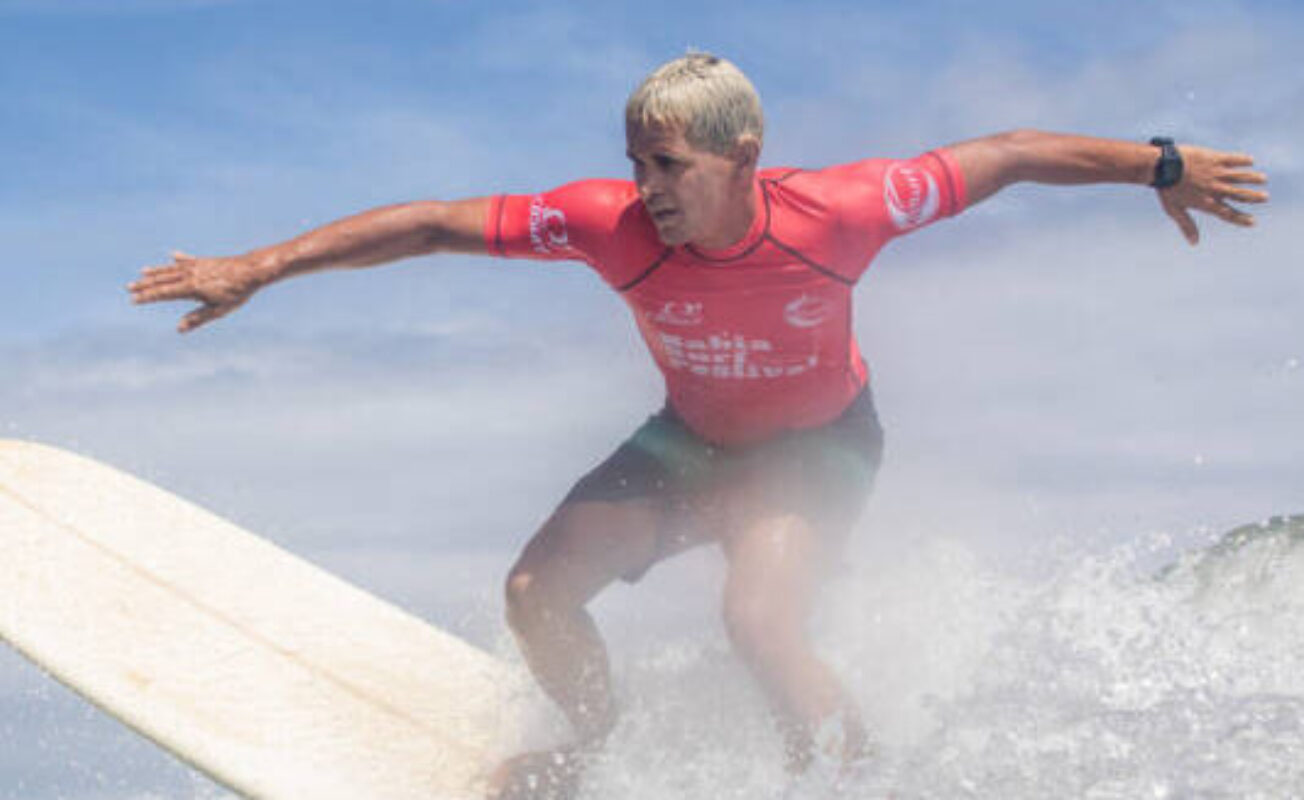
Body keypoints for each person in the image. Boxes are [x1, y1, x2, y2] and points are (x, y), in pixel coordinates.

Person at [127, 52, 1267, 797]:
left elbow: (1012, 155)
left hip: (818, 447)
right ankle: (585, 749)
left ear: (741, 159)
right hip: (688, 441)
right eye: (635, 162)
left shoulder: (846, 211)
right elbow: (432, 223)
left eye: (665, 164)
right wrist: (260, 267)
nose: (644, 186)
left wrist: (1158, 163)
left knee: (760, 623)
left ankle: (849, 778)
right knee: (534, 593)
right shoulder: (610, 223)